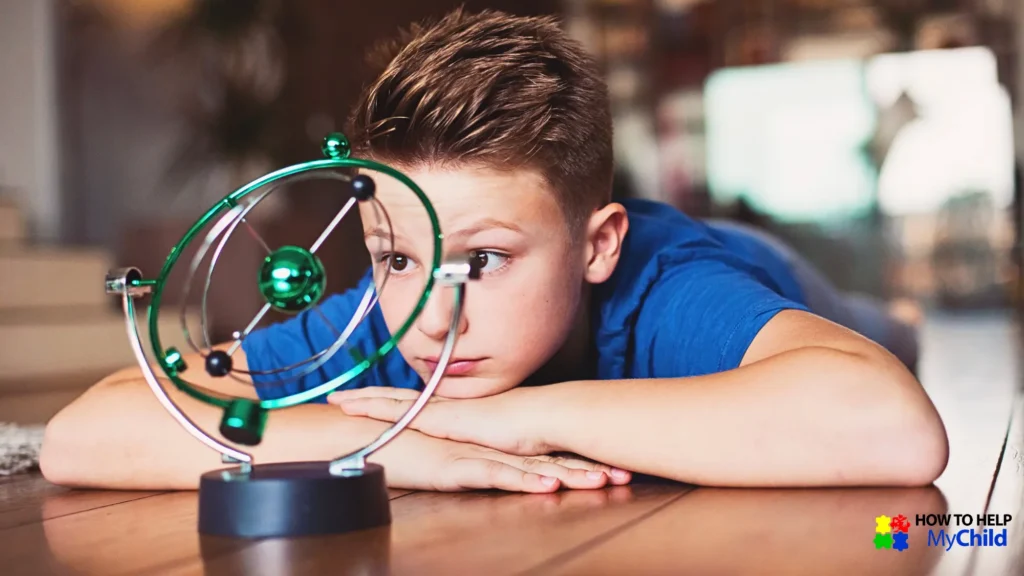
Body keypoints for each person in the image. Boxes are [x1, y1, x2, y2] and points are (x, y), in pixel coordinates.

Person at [41, 9, 947, 493]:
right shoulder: (376, 320)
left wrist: (503, 419)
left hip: (774, 273)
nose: (433, 319)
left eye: (481, 261)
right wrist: (392, 448)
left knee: (880, 331)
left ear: (597, 247)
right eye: (397, 257)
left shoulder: (668, 287)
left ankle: (898, 318)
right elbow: (87, 435)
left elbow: (890, 428)